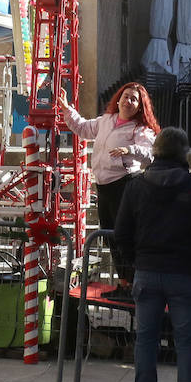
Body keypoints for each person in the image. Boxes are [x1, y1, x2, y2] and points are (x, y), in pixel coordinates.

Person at [111, 127, 191, 382]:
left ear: (155, 151)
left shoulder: (136, 186)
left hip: (147, 269)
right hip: (184, 272)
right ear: (184, 152)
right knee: (187, 341)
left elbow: (121, 233)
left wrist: (133, 265)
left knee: (145, 340)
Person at [55, 82, 157, 297]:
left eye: (134, 99)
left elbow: (150, 153)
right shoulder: (106, 121)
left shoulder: (140, 129)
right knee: (111, 237)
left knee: (125, 237)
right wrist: (66, 108)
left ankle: (133, 282)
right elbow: (82, 128)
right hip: (104, 186)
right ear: (118, 99)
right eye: (126, 96)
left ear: (139, 107)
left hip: (125, 184)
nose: (128, 101)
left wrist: (129, 149)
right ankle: (124, 283)